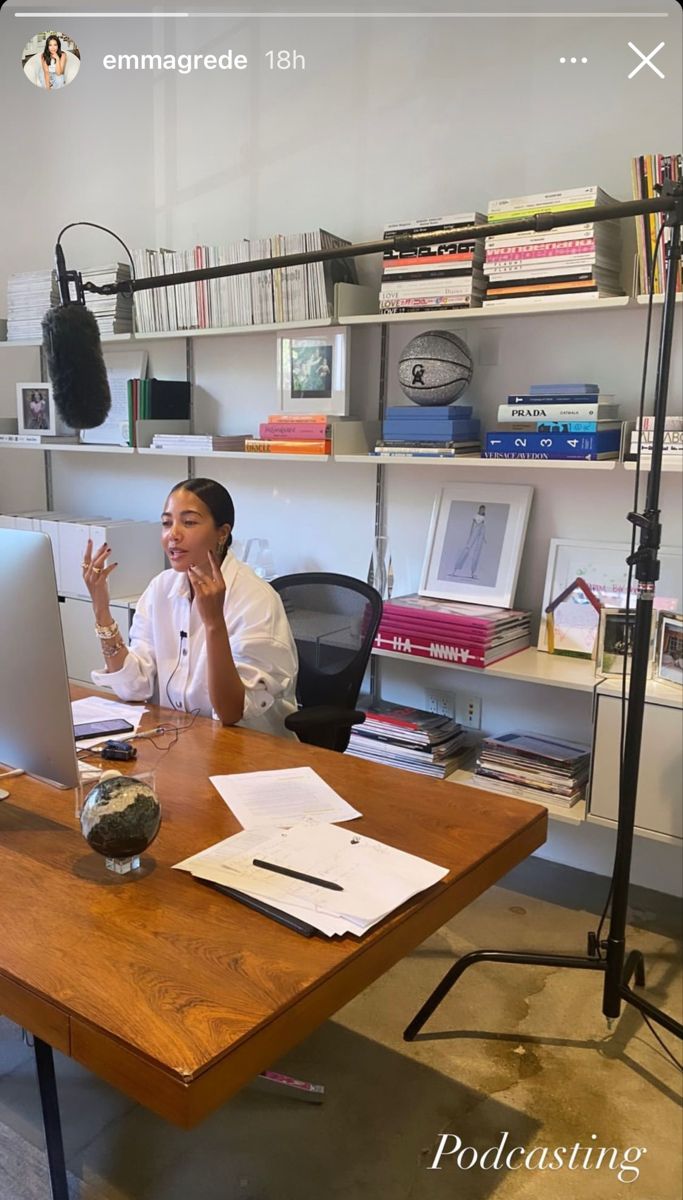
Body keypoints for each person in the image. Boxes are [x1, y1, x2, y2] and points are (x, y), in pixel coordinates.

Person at [82, 478, 299, 737]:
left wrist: (214, 622)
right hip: (180, 742)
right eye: (166, 523)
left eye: (189, 522)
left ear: (222, 532)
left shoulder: (256, 600)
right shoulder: (160, 588)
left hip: (250, 751)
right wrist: (101, 611)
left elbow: (231, 713)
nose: (173, 534)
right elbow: (132, 687)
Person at [451, 504, 487, 579]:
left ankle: (473, 572)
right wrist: (470, 536)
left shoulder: (484, 517)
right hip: (474, 534)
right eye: (481, 509)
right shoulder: (476, 516)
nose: (482, 511)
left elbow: (483, 527)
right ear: (479, 509)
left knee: (477, 553)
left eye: (484, 510)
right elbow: (473, 526)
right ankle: (455, 570)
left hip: (480, 535)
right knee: (467, 549)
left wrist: (484, 537)